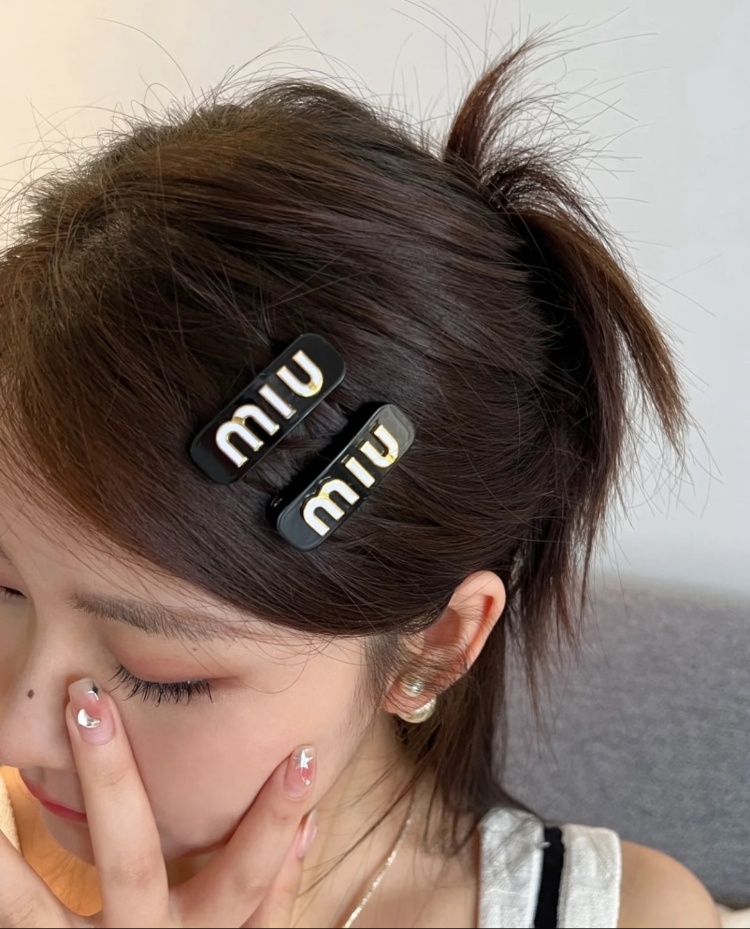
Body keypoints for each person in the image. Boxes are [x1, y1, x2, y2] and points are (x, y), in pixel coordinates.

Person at [0, 34, 723, 929]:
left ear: (436, 645)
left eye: (160, 674)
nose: (17, 730)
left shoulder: (626, 915)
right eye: (4, 590)